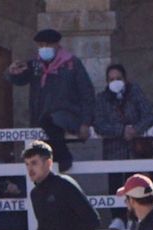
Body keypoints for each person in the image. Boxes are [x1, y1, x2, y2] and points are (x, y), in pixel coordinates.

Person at [6, 28, 93, 173]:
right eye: (41, 45)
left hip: (66, 115)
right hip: (40, 119)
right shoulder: (35, 65)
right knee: (44, 159)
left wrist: (86, 121)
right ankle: (58, 164)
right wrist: (12, 73)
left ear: (57, 44)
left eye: (48, 44)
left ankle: (64, 159)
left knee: (51, 122)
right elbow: (20, 79)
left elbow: (87, 93)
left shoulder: (72, 64)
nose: (44, 48)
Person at [93, 64, 153, 212]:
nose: (115, 82)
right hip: (114, 151)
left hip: (136, 151)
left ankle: (135, 216)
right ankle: (118, 218)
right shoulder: (102, 99)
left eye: (118, 78)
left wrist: (135, 129)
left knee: (136, 187)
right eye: (111, 79)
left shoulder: (135, 92)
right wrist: (121, 130)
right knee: (115, 186)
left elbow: (150, 115)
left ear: (125, 78)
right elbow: (99, 124)